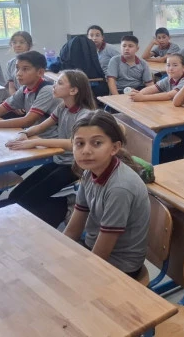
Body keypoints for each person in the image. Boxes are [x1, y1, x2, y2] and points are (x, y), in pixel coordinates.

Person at [2, 70, 97, 227]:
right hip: (60, 159)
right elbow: (41, 126)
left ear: (73, 90)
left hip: (77, 165)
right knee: (17, 194)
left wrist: (37, 143)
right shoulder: (62, 107)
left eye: (59, 83)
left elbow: (75, 143)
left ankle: (50, 215)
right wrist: (24, 133)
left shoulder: (85, 115)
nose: (54, 86)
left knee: (28, 199)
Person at [63, 111, 150, 278]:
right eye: (79, 144)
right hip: (93, 249)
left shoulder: (120, 188)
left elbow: (100, 257)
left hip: (119, 266)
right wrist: (59, 254)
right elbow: (73, 230)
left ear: (114, 148)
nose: (86, 151)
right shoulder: (89, 172)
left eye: (97, 143)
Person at [6, 31, 33, 95]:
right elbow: (11, 87)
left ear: (29, 45)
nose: (18, 45)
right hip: (17, 96)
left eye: (22, 42)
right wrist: (14, 99)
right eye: (14, 42)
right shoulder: (10, 64)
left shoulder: (34, 61)